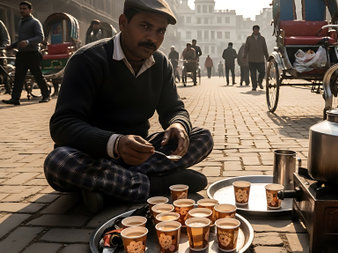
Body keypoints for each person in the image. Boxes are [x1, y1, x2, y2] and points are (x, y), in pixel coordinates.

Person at [43, 0, 214, 213]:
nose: (153, 38)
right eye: (145, 26)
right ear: (123, 22)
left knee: (202, 137)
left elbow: (174, 109)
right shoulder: (87, 59)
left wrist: (178, 125)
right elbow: (62, 125)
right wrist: (115, 143)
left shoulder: (161, 64)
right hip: (91, 154)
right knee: (58, 162)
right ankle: (156, 185)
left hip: (139, 154)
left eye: (160, 31)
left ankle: (109, 188)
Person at [2, 1, 50, 105]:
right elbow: (21, 40)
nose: (22, 11)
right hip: (22, 54)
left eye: (24, 9)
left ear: (30, 10)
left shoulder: (35, 22)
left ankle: (46, 95)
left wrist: (28, 42)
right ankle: (15, 98)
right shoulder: (20, 22)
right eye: (21, 9)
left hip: (32, 53)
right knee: (18, 77)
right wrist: (12, 46)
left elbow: (40, 37)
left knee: (37, 75)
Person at [244, 25, 268, 91]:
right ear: (253, 30)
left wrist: (267, 56)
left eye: (257, 29)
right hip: (251, 59)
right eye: (255, 29)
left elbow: (265, 48)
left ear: (259, 30)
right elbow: (246, 48)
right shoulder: (249, 38)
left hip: (260, 59)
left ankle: (259, 82)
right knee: (253, 74)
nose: (256, 31)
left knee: (262, 72)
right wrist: (245, 55)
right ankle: (254, 86)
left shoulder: (262, 38)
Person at [0, 20, 11, 94]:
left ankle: (8, 88)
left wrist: (2, 48)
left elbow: (6, 39)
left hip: (0, 52)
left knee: (3, 71)